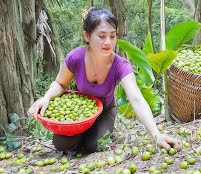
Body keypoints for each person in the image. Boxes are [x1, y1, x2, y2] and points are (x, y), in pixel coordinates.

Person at [28, 7, 182, 153]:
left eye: (112, 36)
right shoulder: (75, 57)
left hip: (105, 111)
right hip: (81, 113)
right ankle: (81, 134)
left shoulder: (121, 65)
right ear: (87, 36)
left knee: (93, 145)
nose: (108, 42)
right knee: (61, 144)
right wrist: (46, 97)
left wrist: (156, 135)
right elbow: (60, 84)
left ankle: (94, 133)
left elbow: (137, 99)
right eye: (101, 36)